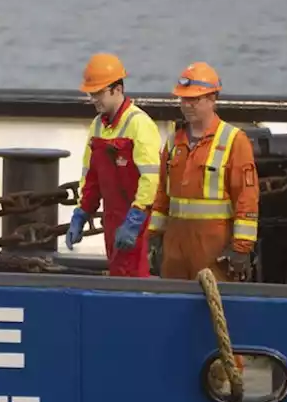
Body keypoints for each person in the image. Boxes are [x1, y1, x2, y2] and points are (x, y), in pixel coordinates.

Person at [147, 62, 259, 281]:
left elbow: (247, 198)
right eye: (183, 99)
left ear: (212, 99)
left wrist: (241, 248)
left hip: (213, 250)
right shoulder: (173, 142)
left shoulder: (234, 141)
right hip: (175, 250)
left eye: (194, 99)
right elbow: (163, 195)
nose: (186, 105)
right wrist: (154, 236)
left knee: (212, 308)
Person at [64, 52, 163, 277]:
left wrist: (136, 217)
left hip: (137, 222)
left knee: (135, 280)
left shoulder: (140, 124)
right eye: (91, 94)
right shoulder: (98, 126)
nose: (93, 99)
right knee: (119, 276)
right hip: (113, 220)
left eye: (98, 93)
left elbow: (151, 178)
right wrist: (82, 212)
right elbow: (91, 177)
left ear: (116, 89)